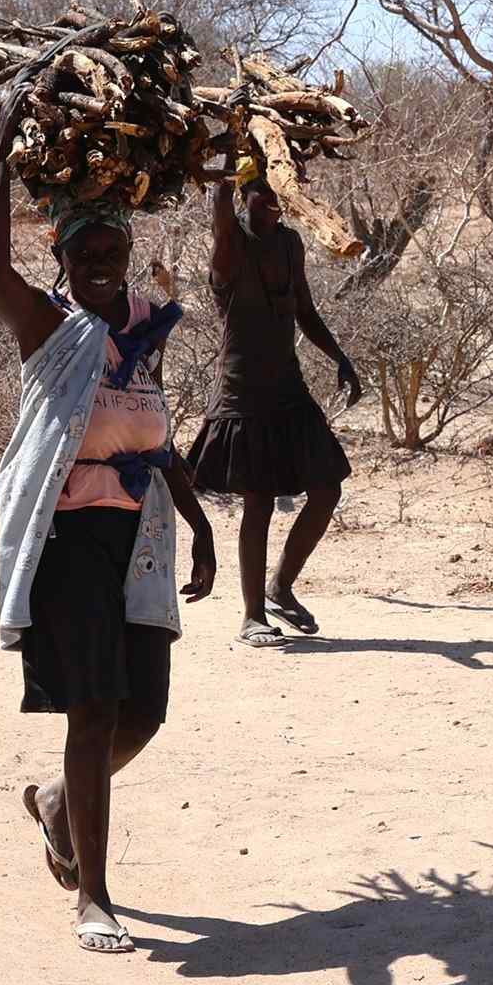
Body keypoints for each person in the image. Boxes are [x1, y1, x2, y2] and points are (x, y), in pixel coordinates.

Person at [0, 90, 218, 954]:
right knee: (93, 709)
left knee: (143, 714)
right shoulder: (49, 328)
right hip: (70, 543)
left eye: (115, 248)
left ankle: (53, 801)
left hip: (139, 545)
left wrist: (199, 523)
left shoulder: (139, 339)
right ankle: (94, 896)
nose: (105, 263)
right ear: (65, 254)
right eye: (88, 250)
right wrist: (2, 164)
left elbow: (155, 443)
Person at [186, 165, 361, 646]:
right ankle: (252, 615)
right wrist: (224, 162)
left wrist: (341, 358)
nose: (272, 200)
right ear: (244, 195)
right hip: (243, 395)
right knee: (258, 502)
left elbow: (304, 309)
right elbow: (220, 210)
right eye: (261, 191)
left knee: (326, 490)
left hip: (288, 388)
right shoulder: (230, 247)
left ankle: (281, 587)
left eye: (278, 190)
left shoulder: (290, 244)